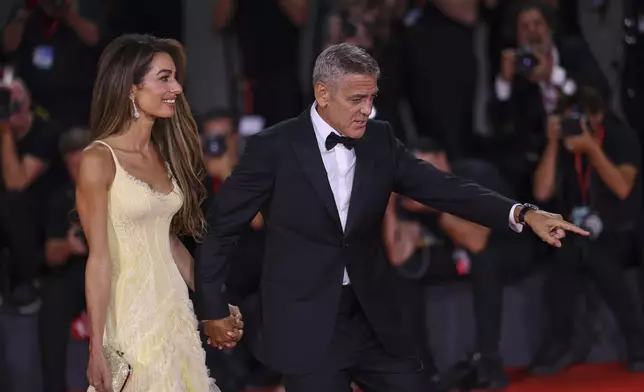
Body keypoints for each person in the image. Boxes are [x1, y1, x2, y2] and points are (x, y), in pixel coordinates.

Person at [196, 42, 588, 392]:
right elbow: (222, 227)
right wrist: (212, 307)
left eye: (372, 98)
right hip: (306, 322)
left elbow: (445, 188)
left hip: (372, 316)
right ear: (323, 93)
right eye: (356, 99)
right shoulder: (272, 148)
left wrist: (522, 212)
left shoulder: (379, 139)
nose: (368, 109)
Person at [76, 34, 242, 392]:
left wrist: (214, 301)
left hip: (175, 315)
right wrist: (96, 348)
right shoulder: (97, 159)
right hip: (130, 319)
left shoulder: (161, 155)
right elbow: (99, 260)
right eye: (164, 78)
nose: (177, 88)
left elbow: (169, 243)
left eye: (176, 77)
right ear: (131, 89)